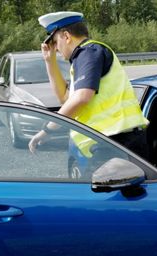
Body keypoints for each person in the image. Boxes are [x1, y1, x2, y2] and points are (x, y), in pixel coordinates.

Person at [29, 11, 149, 159]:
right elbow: (65, 99)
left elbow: (82, 98)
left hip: (117, 142)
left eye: (54, 42)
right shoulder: (83, 57)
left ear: (66, 36)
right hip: (111, 143)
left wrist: (47, 130)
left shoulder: (89, 52)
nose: (55, 48)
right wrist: (50, 62)